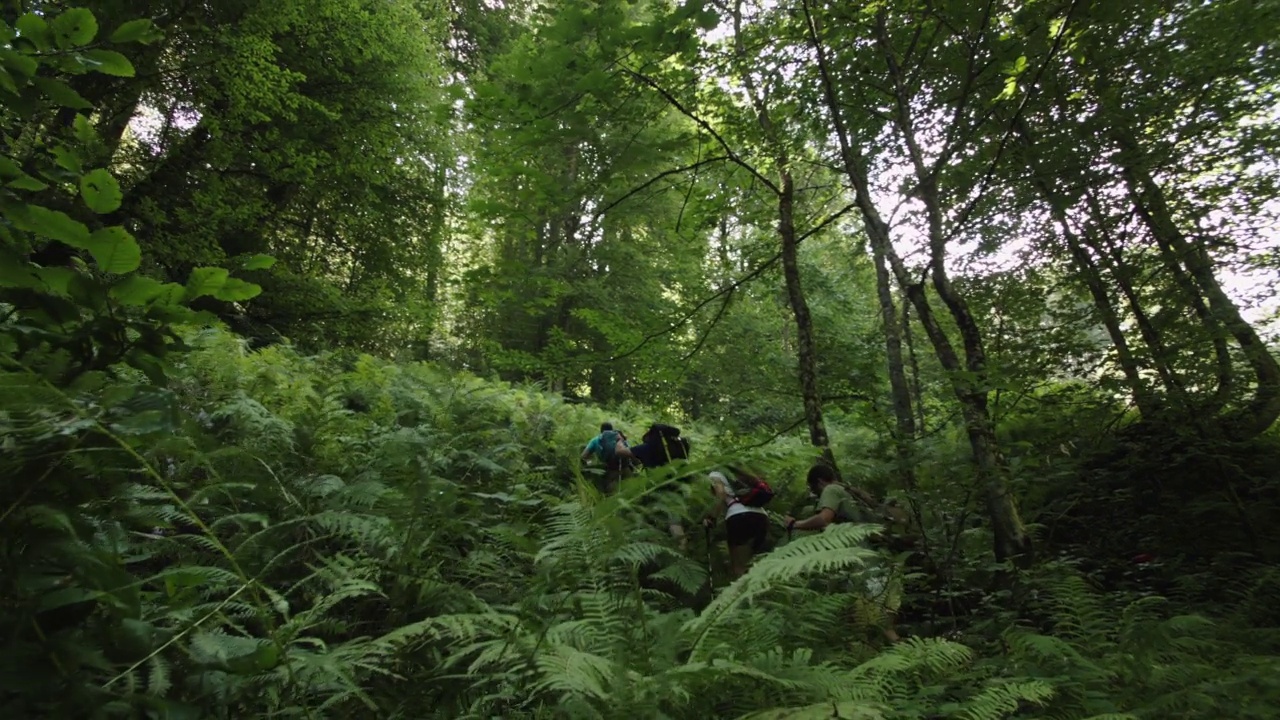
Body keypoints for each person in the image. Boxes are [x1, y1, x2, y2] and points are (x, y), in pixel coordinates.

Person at [784, 463, 903, 642]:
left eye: (813, 489)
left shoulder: (831, 490)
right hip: (877, 556)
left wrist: (795, 524)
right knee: (873, 618)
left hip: (859, 561)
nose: (814, 494)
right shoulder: (851, 492)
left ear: (819, 482)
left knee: (877, 621)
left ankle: (906, 657)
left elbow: (824, 519)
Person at [703, 470, 770, 580]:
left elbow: (720, 495)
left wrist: (711, 517)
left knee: (739, 567)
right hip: (761, 517)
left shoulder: (716, 474)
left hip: (739, 517)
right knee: (755, 563)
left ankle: (744, 594)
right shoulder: (744, 475)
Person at [580, 422, 635, 493]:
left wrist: (589, 463)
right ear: (612, 430)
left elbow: (583, 456)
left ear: (601, 431)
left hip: (610, 469)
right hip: (625, 467)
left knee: (612, 493)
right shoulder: (619, 438)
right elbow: (630, 451)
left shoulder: (595, 440)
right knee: (632, 490)